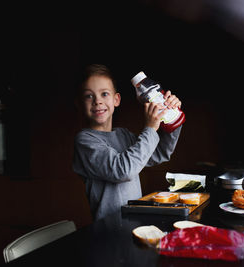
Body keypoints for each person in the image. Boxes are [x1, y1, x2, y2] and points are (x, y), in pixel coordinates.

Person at [72, 64, 183, 220]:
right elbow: (123, 170)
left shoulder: (123, 135)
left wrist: (172, 118)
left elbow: (159, 153)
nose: (97, 101)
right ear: (79, 104)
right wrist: (150, 127)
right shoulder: (85, 141)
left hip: (133, 222)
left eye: (104, 94)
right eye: (89, 96)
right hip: (108, 230)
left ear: (116, 100)